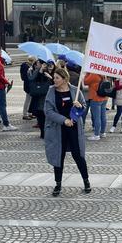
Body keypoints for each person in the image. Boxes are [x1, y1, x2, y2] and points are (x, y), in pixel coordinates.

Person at [44, 68, 90, 196]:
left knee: (78, 155)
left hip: (74, 129)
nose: (54, 80)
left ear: (64, 79)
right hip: (58, 129)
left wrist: (80, 107)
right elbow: (48, 111)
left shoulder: (75, 91)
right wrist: (63, 120)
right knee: (59, 156)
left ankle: (86, 181)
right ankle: (58, 184)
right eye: (54, 78)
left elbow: (84, 107)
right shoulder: (51, 92)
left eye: (57, 78)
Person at [28, 60, 54, 139]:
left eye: (39, 63)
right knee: (40, 116)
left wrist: (50, 77)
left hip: (47, 98)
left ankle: (47, 132)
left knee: (46, 117)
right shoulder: (37, 72)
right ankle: (43, 132)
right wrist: (40, 70)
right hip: (38, 98)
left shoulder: (52, 72)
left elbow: (55, 83)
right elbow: (32, 79)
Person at [84, 72, 109, 140]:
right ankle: (102, 132)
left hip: (95, 97)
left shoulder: (94, 74)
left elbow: (85, 81)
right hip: (104, 97)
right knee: (103, 116)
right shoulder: (103, 73)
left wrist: (87, 73)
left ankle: (96, 135)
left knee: (96, 117)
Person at [21, 56, 36, 120]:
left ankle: (30, 113)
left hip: (29, 85)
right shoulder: (26, 67)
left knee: (31, 100)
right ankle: (25, 114)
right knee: (28, 100)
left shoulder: (28, 67)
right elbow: (25, 78)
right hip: (28, 86)